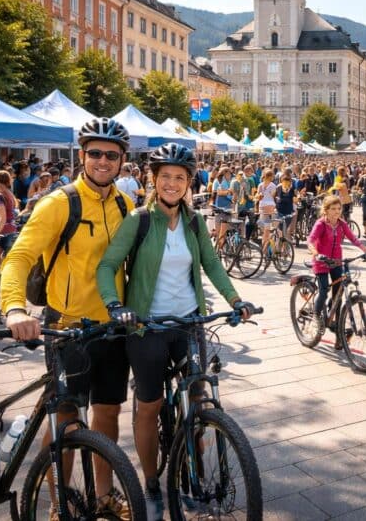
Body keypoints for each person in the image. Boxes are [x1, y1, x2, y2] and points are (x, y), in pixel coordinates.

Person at [95, 143, 257, 518]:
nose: (172, 183)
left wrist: (235, 299)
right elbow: (107, 266)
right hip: (147, 327)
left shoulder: (195, 222)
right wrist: (115, 305)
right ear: (154, 179)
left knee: (198, 402)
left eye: (179, 177)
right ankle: (151, 485)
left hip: (188, 323)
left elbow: (212, 265)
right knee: (149, 407)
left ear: (189, 182)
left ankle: (191, 473)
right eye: (165, 176)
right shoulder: (138, 220)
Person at [0, 118, 134, 516]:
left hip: (111, 328)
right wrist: (14, 308)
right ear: (82, 155)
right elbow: (19, 257)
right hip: (67, 328)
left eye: (111, 155)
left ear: (122, 160)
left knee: (108, 414)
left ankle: (104, 495)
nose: (103, 161)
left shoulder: (126, 205)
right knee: (66, 419)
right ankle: (60, 504)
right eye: (95, 153)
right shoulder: (58, 203)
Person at [306, 195, 366, 335]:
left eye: (339, 208)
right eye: (333, 209)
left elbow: (353, 238)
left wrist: (365, 250)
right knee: (323, 291)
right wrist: (316, 253)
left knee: (338, 294)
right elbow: (310, 240)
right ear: (326, 210)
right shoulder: (321, 224)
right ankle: (316, 317)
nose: (337, 211)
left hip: (336, 261)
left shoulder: (342, 224)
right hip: (322, 262)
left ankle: (333, 317)